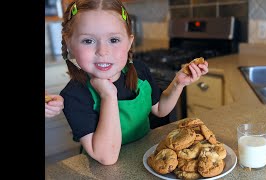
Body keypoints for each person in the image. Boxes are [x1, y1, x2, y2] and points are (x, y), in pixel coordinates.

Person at [59, 0, 209, 165]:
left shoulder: (139, 71)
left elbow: (160, 109)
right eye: (88, 41)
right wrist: (108, 95)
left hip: (145, 160)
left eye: (114, 40)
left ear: (129, 42)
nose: (103, 51)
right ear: (69, 43)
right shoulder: (74, 95)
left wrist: (178, 83)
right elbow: (106, 157)